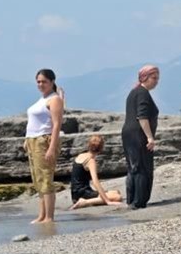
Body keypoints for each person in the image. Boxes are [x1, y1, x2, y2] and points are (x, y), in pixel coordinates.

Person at [24, 68, 64, 224]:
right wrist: (26, 139)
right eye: (38, 81)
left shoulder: (54, 99)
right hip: (32, 140)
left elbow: (56, 125)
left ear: (52, 82)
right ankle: (42, 215)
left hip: (44, 140)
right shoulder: (42, 99)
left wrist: (52, 147)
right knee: (38, 179)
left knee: (46, 178)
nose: (40, 84)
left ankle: (49, 217)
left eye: (44, 81)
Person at [122, 64, 160, 209]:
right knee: (142, 167)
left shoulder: (134, 92)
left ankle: (132, 199)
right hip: (138, 134)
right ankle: (139, 201)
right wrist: (150, 137)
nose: (156, 81)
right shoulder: (142, 93)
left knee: (133, 167)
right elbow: (142, 117)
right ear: (145, 77)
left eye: (157, 78)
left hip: (128, 134)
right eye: (154, 78)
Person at [68, 134, 124, 210]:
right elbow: (95, 182)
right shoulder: (90, 161)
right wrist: (107, 201)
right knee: (117, 197)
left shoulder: (80, 155)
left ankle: (86, 200)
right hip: (83, 193)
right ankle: (85, 202)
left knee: (116, 192)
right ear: (101, 148)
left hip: (75, 193)